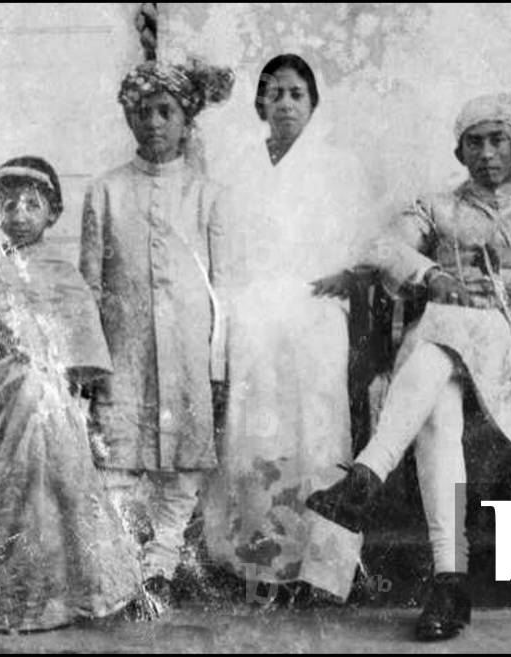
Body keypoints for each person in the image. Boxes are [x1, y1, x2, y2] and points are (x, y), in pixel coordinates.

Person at [308, 91, 511, 640]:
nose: (487, 153)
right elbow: (385, 247)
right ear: (460, 150)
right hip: (440, 369)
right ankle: (449, 585)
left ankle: (366, 475)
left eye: (498, 141)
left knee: (444, 334)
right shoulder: (437, 206)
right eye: (475, 142)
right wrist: (433, 277)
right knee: (437, 410)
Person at [200, 54, 373, 603]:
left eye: (296, 93)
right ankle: (262, 565)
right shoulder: (239, 169)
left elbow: (362, 244)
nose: (285, 103)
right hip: (256, 313)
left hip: (315, 311)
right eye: (274, 93)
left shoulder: (339, 166)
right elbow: (224, 249)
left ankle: (322, 570)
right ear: (259, 104)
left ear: (313, 103)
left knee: (317, 429)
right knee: (259, 433)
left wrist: (347, 274)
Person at [0, 157, 143, 631]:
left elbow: (82, 342)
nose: (20, 215)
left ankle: (53, 599)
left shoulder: (64, 273)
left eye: (33, 205)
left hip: (45, 407)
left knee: (48, 489)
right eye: (9, 205)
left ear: (52, 213)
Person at [79, 59, 234, 602]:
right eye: (142, 112)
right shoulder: (104, 191)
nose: (153, 123)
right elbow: (90, 286)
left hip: (189, 350)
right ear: (129, 119)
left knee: (183, 461)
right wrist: (90, 360)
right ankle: (122, 567)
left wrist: (217, 367)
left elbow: (222, 288)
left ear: (186, 119)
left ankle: (160, 566)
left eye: (165, 111)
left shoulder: (208, 195)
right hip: (124, 347)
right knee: (118, 454)